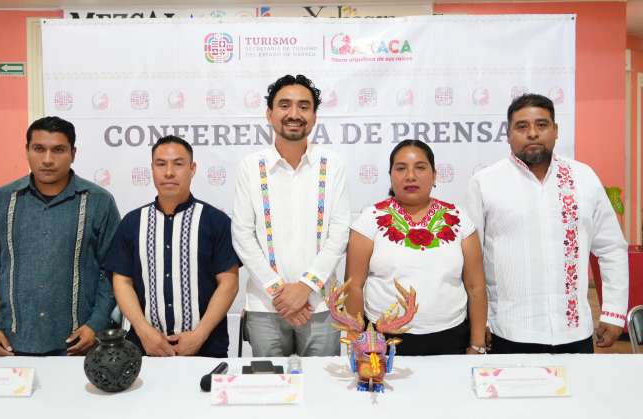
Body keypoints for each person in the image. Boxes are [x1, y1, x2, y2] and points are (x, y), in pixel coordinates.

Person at [466, 93, 628, 354]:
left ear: (555, 130)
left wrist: (614, 311)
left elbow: (611, 248)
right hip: (508, 331)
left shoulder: (583, 177)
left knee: (578, 395)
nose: (532, 133)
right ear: (508, 134)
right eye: (522, 126)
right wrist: (480, 321)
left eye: (541, 125)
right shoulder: (485, 182)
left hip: (574, 332)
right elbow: (472, 261)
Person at [0, 116, 120, 356]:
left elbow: (112, 270)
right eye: (39, 149)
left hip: (81, 346)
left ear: (73, 153)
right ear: (27, 150)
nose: (48, 160)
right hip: (12, 344)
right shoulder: (1, 201)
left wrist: (96, 324)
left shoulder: (99, 202)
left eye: (58, 150)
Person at [232, 74, 350, 357]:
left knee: (323, 391)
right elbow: (242, 236)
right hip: (266, 306)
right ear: (269, 114)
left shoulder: (332, 164)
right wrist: (280, 293)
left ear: (314, 116)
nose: (294, 114)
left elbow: (339, 232)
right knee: (269, 390)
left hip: (321, 306)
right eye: (284, 105)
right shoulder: (251, 166)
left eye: (303, 106)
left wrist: (305, 287)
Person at [344, 140, 488, 355]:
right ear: (391, 175)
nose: (410, 176)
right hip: (382, 341)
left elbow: (476, 287)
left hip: (451, 338)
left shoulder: (459, 219)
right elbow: (353, 286)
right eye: (401, 168)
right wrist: (359, 342)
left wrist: (477, 345)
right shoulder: (370, 219)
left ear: (434, 174)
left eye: (420, 167)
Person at [105, 135, 239, 357]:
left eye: (178, 164)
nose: (169, 172)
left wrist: (199, 335)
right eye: (161, 164)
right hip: (145, 348)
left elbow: (229, 283)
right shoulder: (132, 222)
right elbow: (122, 281)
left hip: (206, 347)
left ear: (192, 168)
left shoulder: (216, 221)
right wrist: (145, 332)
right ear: (152, 168)